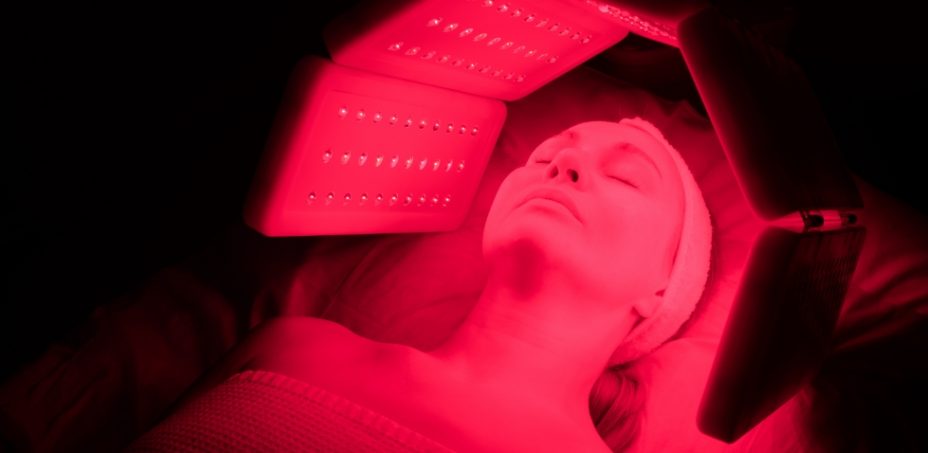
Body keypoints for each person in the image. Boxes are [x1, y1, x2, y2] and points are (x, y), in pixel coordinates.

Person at [133, 118, 713, 452]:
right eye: (544, 158)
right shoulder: (293, 348)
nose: (565, 166)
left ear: (662, 289)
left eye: (625, 177)